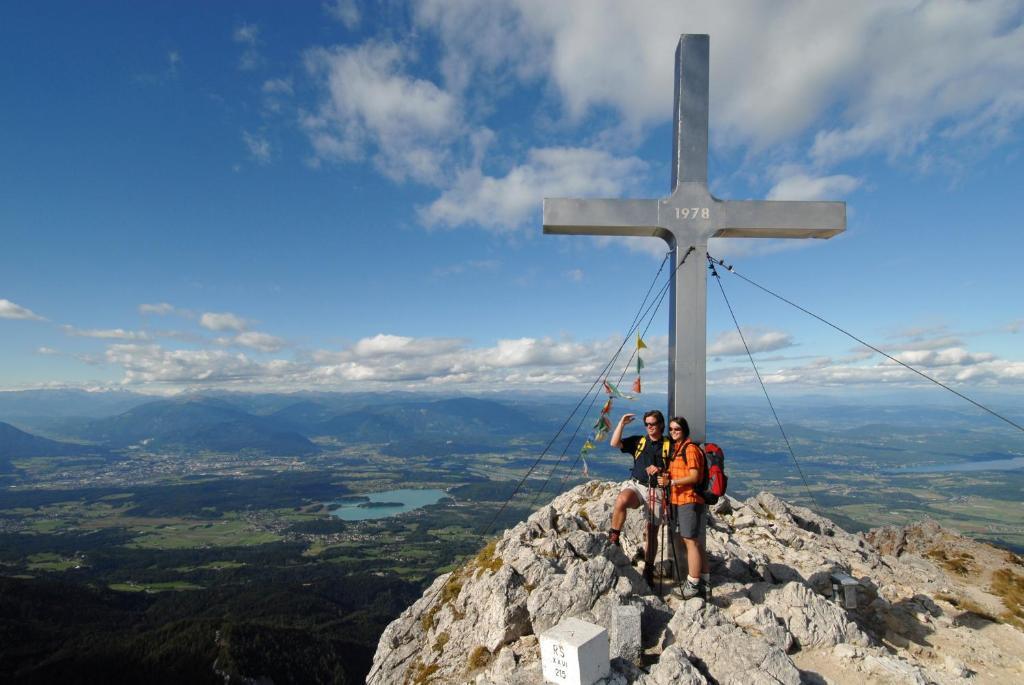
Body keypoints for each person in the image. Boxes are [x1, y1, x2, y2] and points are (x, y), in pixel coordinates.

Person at [609, 410, 669, 585]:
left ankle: (648, 569)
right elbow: (614, 443)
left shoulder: (668, 445)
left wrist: (661, 471)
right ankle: (614, 538)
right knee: (622, 499)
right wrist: (621, 423)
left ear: (661, 425)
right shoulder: (639, 441)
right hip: (636, 485)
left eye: (653, 424)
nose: (650, 427)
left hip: (656, 489)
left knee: (651, 531)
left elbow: (675, 467)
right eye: (647, 424)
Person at [658, 416, 709, 600]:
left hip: (689, 499)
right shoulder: (676, 449)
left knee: (690, 541)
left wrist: (671, 481)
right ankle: (704, 580)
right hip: (678, 500)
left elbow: (694, 477)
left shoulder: (690, 449)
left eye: (677, 429)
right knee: (693, 541)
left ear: (684, 430)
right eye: (671, 429)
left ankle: (694, 584)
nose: (673, 432)